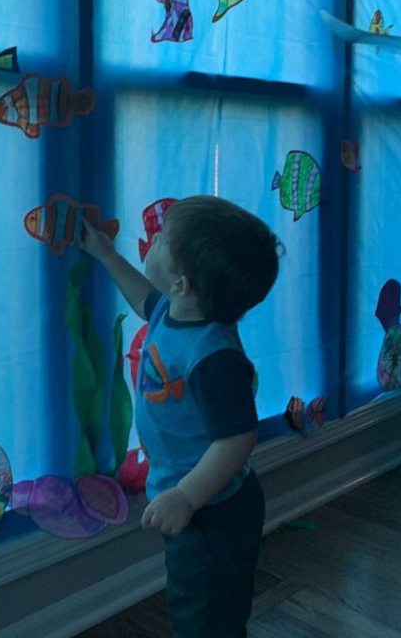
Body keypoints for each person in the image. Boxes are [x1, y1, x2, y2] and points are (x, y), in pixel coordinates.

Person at [76, 195, 283, 637]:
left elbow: (238, 439)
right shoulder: (173, 312)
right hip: (194, 501)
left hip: (215, 511)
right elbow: (143, 298)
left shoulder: (214, 355)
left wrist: (186, 497)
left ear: (184, 283)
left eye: (162, 241)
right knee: (195, 600)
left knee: (205, 611)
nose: (152, 243)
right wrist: (105, 253)